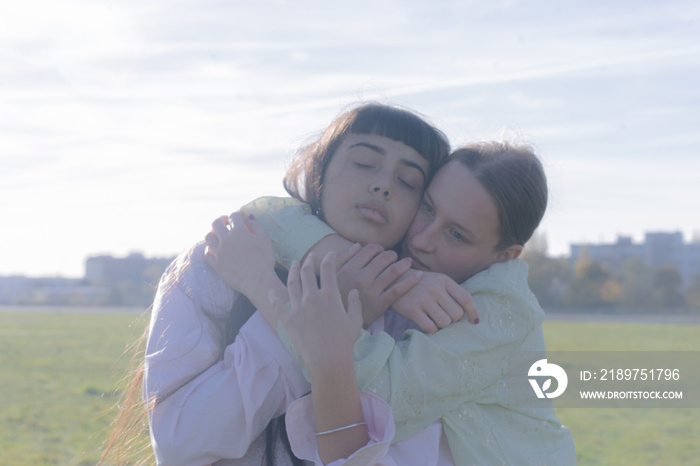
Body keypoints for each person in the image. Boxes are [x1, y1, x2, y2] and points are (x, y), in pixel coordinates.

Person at [100, 102, 477, 465]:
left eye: (408, 181)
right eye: (364, 163)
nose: (383, 185)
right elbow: (180, 443)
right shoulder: (220, 259)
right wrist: (315, 311)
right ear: (320, 171)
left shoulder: (424, 308)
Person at [207, 141, 577, 464]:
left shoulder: (499, 314)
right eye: (429, 207)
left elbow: (371, 398)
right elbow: (267, 214)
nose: (421, 240)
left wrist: (260, 284)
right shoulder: (412, 257)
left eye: (456, 235)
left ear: (504, 256)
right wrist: (396, 278)